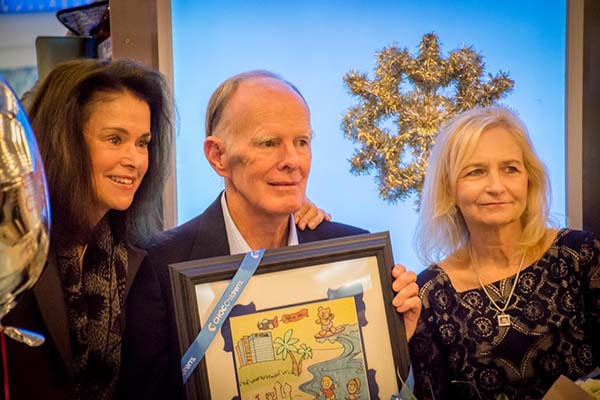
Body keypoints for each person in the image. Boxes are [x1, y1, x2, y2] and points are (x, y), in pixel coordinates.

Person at [121, 70, 421, 398]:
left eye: (302, 142)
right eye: (269, 143)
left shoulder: (352, 255)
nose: (292, 161)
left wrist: (390, 338)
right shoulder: (159, 265)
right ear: (218, 156)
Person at [2, 58, 174, 399]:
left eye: (142, 142)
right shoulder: (11, 250)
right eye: (114, 139)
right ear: (63, 141)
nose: (135, 160)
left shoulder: (134, 255)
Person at [405, 106, 600, 399]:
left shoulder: (581, 256)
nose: (496, 186)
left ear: (528, 179)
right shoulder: (429, 294)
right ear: (450, 189)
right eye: (476, 171)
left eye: (510, 168)